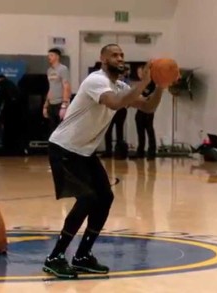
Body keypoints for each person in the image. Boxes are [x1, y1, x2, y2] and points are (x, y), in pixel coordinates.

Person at [44, 44, 166, 279]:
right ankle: (55, 257)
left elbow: (148, 106)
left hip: (84, 151)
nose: (120, 58)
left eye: (122, 55)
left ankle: (82, 256)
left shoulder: (120, 86)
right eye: (115, 55)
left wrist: (160, 85)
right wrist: (144, 82)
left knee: (105, 197)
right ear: (102, 59)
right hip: (64, 147)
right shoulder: (95, 80)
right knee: (88, 198)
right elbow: (114, 103)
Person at [43, 48, 71, 134]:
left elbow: (66, 86)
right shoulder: (49, 70)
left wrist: (64, 104)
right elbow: (50, 88)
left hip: (60, 103)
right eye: (48, 55)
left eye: (51, 55)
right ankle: (53, 147)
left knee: (61, 131)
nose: (49, 57)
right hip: (51, 103)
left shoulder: (63, 69)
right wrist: (45, 105)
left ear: (57, 57)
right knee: (52, 130)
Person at [0, 74, 23, 155]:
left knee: (7, 130)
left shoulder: (2, 84)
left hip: (8, 111)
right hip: (18, 112)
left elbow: (0, 100)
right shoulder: (13, 85)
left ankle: (7, 149)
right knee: (15, 130)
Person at [134, 63, 157, 159]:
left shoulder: (152, 83)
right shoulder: (140, 84)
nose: (139, 74)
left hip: (148, 111)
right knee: (140, 132)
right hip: (140, 110)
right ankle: (140, 152)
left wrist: (140, 97)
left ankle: (152, 152)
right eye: (138, 73)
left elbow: (149, 97)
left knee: (149, 131)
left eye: (141, 72)